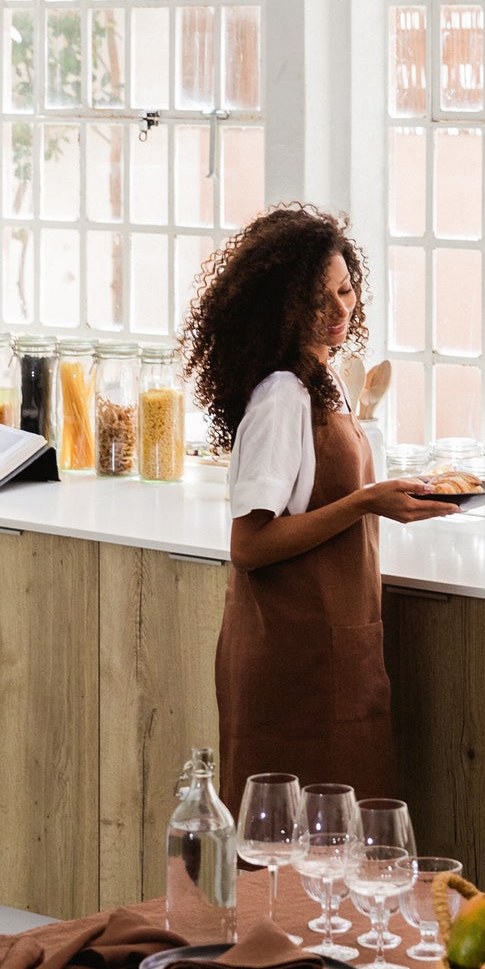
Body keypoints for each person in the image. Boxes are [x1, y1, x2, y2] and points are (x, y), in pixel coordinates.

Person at [184, 202, 458, 811]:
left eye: (346, 290)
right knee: (290, 854)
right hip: (291, 661)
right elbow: (249, 545)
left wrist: (380, 501)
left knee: (340, 844)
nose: (339, 310)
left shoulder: (321, 380)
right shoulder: (282, 393)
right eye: (318, 298)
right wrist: (365, 502)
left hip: (334, 649)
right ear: (280, 305)